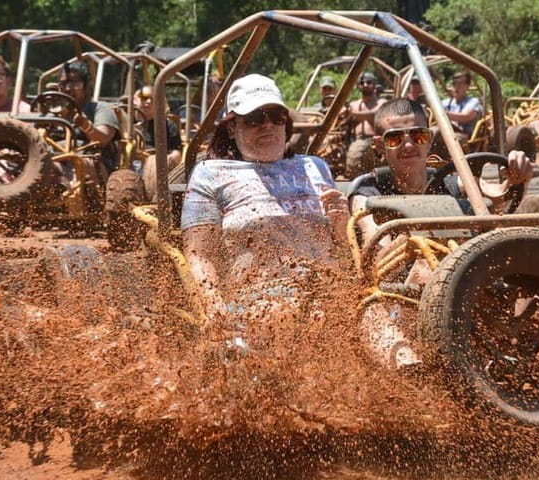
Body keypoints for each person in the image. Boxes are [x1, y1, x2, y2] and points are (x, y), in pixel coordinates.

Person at [349, 98, 533, 369]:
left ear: (429, 139)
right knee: (425, 264)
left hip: (468, 291)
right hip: (401, 297)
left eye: (418, 135)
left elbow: (498, 200)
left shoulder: (454, 183)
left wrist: (517, 178)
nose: (408, 145)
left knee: (531, 276)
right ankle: (419, 371)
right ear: (379, 145)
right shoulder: (368, 192)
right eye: (395, 138)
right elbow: (377, 257)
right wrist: (422, 241)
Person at [181, 74, 351, 342]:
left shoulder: (315, 167)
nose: (267, 125)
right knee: (288, 317)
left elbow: (344, 249)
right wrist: (213, 304)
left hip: (330, 293)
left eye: (276, 117)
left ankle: (410, 367)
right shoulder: (211, 173)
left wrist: (341, 223)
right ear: (232, 128)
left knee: (376, 312)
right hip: (258, 298)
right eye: (255, 119)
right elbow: (198, 254)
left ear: (286, 124)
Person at [58, 59, 120, 173]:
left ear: (86, 87)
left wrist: (86, 126)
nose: (67, 88)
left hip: (91, 164)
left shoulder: (100, 108)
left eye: (74, 84)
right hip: (54, 159)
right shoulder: (53, 112)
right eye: (63, 84)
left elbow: (103, 139)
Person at [344, 71, 388, 178]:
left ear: (375, 84)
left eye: (369, 82)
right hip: (354, 139)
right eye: (362, 83)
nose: (365, 85)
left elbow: (374, 115)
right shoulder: (354, 104)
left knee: (358, 150)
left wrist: (352, 113)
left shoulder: (382, 102)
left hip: (375, 139)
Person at [134, 85, 183, 169]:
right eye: (144, 98)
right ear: (134, 100)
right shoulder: (126, 122)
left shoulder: (167, 125)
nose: (149, 101)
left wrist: (161, 161)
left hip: (156, 166)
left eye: (153, 99)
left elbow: (177, 154)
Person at [442, 71, 483, 138]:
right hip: (447, 131)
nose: (456, 87)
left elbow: (465, 117)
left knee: (438, 133)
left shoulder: (473, 102)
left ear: (467, 86)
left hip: (464, 136)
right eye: (454, 83)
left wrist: (441, 114)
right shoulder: (445, 102)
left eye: (460, 84)